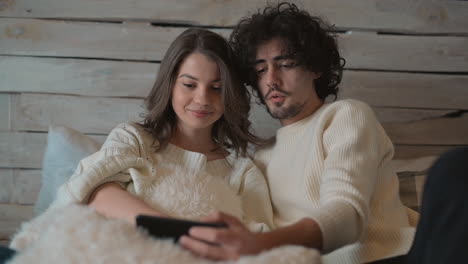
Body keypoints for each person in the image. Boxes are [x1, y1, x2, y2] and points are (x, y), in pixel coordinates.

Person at [1, 28, 275, 263]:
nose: (202, 99)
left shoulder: (241, 171)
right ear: (170, 86)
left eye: (216, 88)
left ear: (230, 94)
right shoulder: (134, 139)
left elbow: (260, 243)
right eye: (189, 84)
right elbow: (97, 191)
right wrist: (174, 232)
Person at [179, 3, 415, 263]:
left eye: (286, 64)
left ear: (316, 68)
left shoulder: (345, 116)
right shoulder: (260, 157)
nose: (271, 80)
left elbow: (347, 216)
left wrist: (258, 245)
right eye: (260, 70)